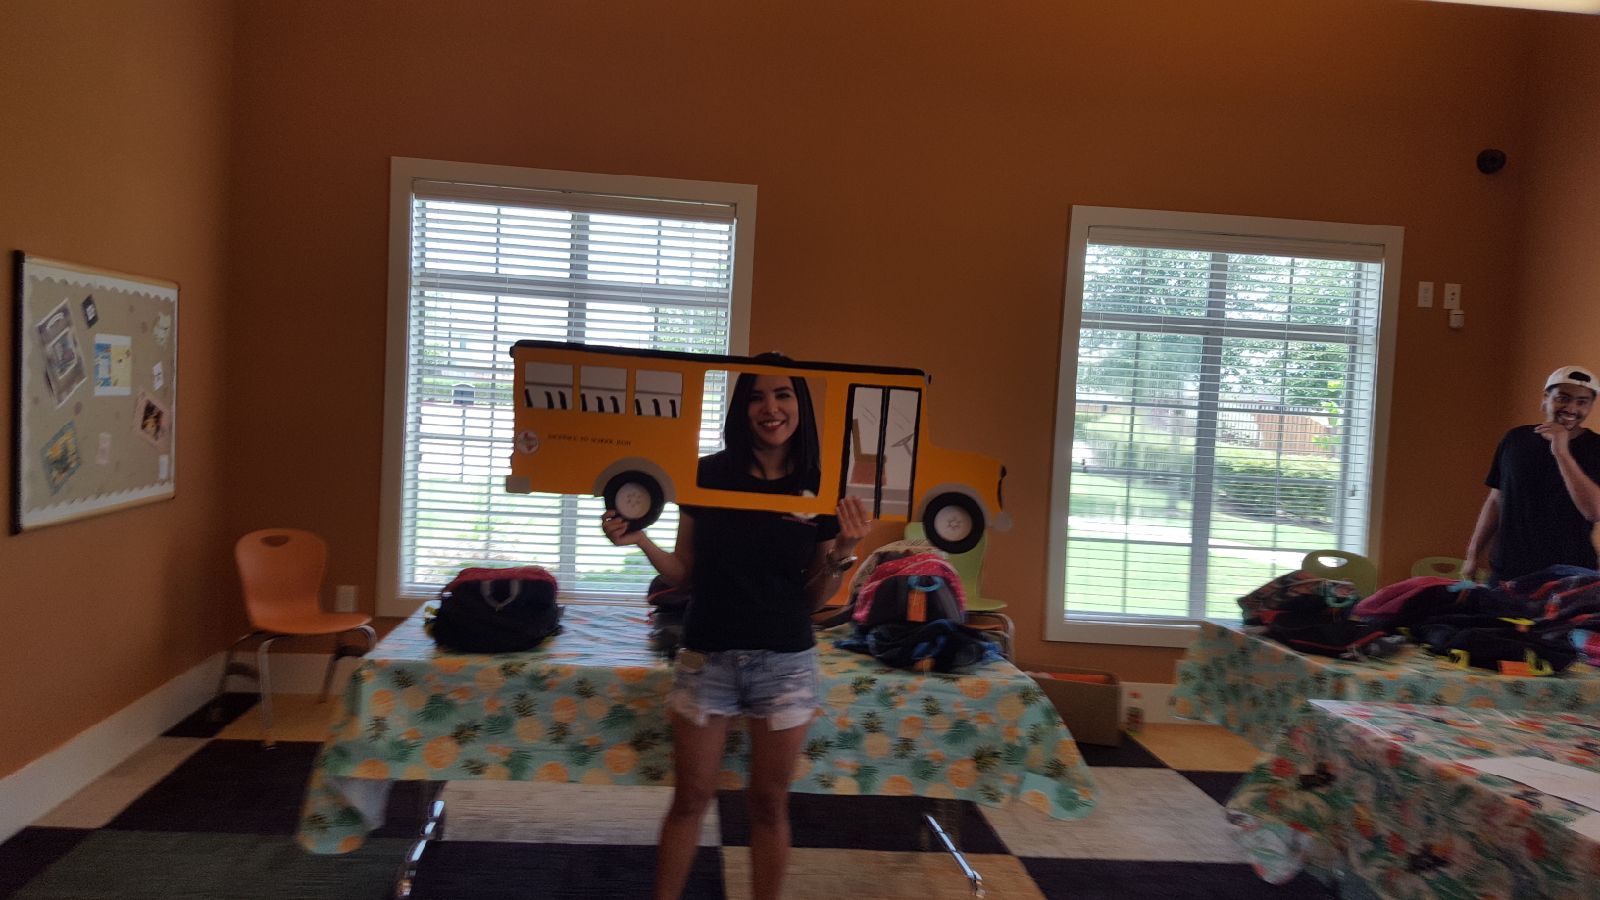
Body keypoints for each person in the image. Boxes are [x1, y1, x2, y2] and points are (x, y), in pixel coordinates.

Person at [601, 354, 871, 900]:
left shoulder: (820, 487)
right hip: (708, 656)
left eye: (783, 395)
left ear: (801, 406)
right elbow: (687, 573)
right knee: (690, 799)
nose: (770, 408)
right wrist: (641, 542)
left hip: (786, 662)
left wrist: (843, 552)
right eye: (756, 397)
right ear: (742, 408)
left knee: (769, 806)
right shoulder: (706, 475)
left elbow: (813, 596)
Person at [1464, 365, 1600, 581]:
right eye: (1563, 398)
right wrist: (1472, 556)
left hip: (1570, 575)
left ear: (1591, 406)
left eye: (1582, 402)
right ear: (1546, 398)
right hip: (1507, 572)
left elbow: (1594, 511)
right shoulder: (1515, 440)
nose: (1571, 408)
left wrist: (1562, 453)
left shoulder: (1596, 448)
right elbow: (1496, 500)